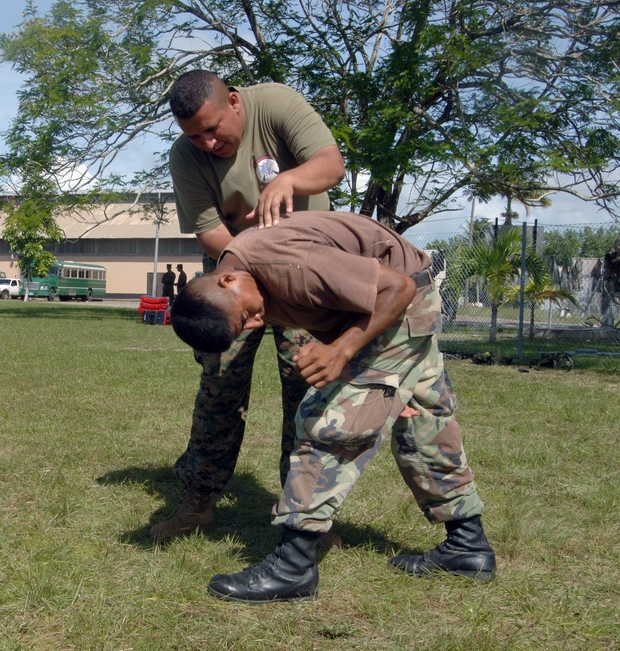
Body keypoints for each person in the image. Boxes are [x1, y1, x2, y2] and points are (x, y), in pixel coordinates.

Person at [170, 210, 495, 603]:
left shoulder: (283, 263)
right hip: (401, 301)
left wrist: (342, 352)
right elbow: (326, 305)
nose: (256, 322)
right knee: (424, 422)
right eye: (245, 326)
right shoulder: (246, 279)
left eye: (246, 315)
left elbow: (398, 288)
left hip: (399, 299)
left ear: (227, 281)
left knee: (327, 421)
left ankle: (293, 565)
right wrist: (390, 386)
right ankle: (467, 543)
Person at [151, 69, 345, 540]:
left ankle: (307, 516)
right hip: (232, 273)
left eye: (213, 129)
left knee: (307, 387)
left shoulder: (275, 103)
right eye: (194, 136)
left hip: (305, 270)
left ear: (234, 102)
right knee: (219, 384)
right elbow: (209, 231)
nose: (207, 143)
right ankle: (197, 501)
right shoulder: (185, 156)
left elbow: (331, 164)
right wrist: (255, 263)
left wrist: (289, 181)